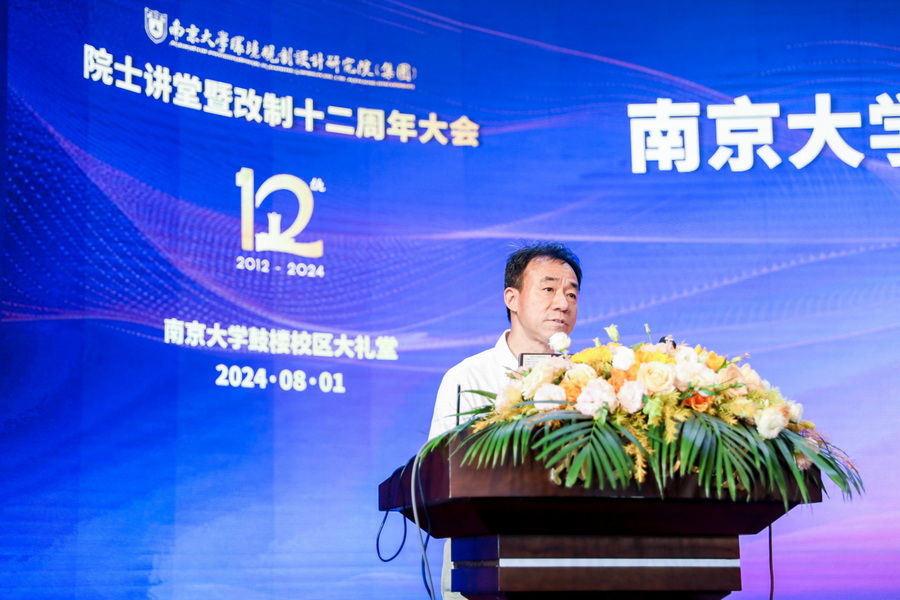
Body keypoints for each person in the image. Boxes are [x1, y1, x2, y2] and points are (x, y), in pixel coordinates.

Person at [427, 241, 582, 599]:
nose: (563, 303)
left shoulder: (591, 382)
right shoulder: (468, 378)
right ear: (512, 298)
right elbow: (442, 479)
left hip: (574, 568)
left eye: (572, 294)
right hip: (483, 571)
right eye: (548, 289)